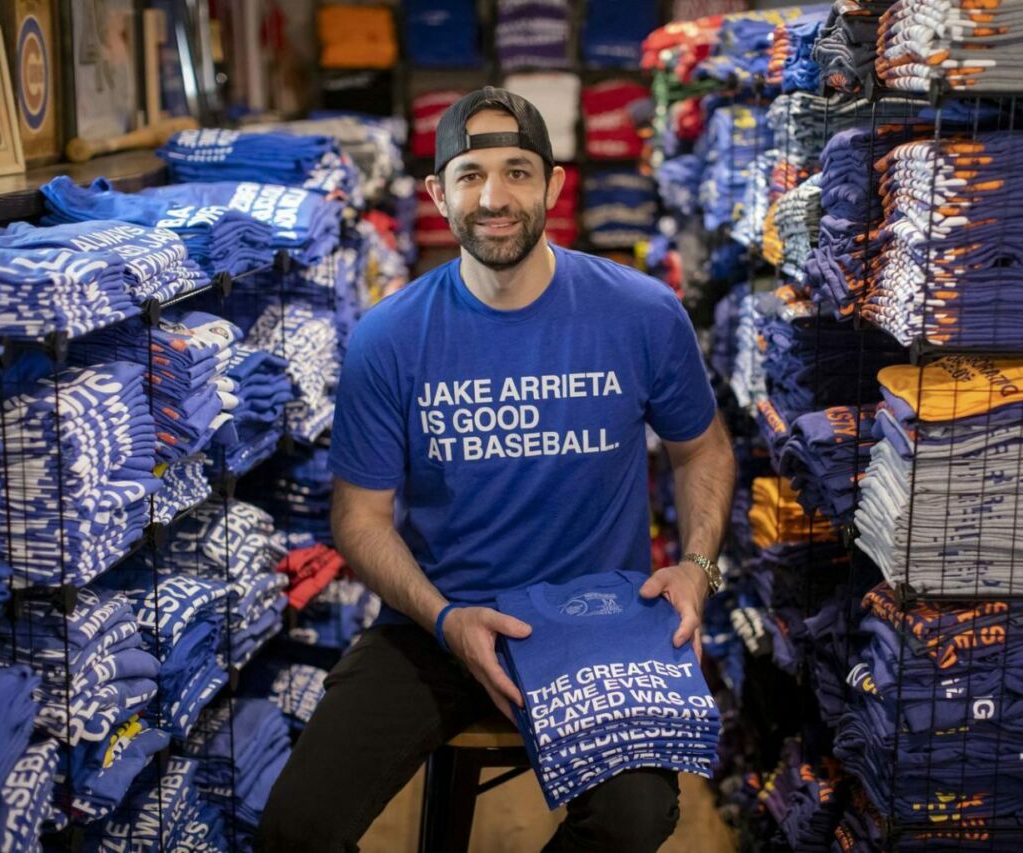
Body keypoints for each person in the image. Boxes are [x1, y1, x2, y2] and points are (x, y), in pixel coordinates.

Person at [257, 87, 736, 852]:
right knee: (295, 828)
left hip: (597, 627)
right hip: (439, 623)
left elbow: (702, 447)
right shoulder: (390, 337)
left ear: (553, 185)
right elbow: (358, 517)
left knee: (634, 817)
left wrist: (698, 566)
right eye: (471, 173)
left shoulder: (642, 312)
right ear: (438, 195)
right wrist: (446, 618)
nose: (495, 196)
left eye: (518, 171)